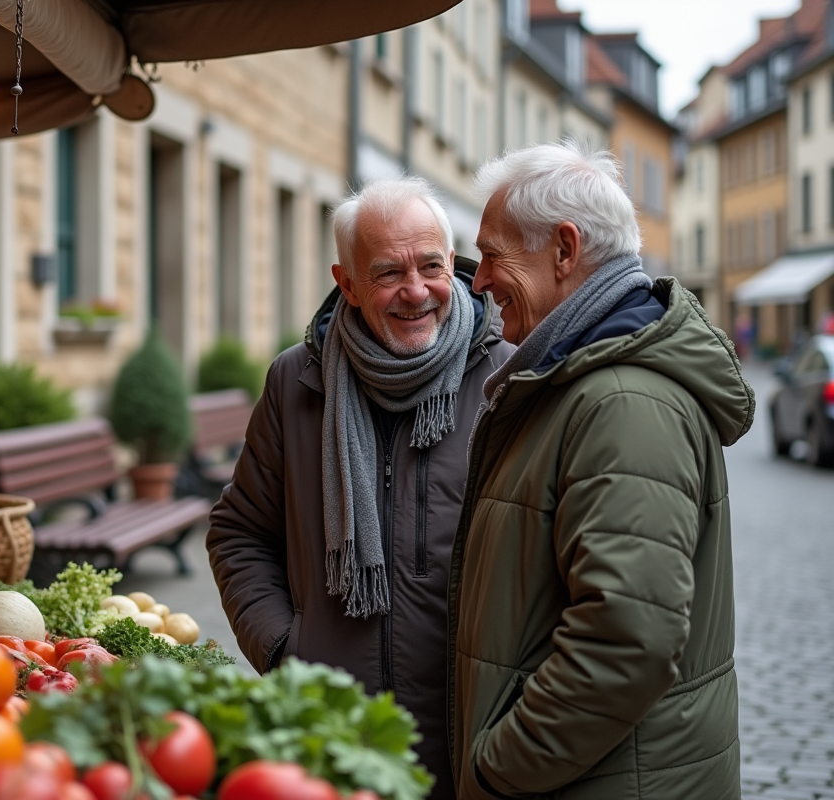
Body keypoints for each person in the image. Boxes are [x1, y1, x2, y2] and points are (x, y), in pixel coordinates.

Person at [450, 140, 753, 800]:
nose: (477, 282)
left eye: (494, 254)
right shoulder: (578, 381)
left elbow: (626, 643)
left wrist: (497, 766)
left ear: (564, 250)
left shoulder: (621, 401)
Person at [207, 176, 514, 796]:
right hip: (330, 731)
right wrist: (282, 647)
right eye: (387, 273)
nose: (416, 291)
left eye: (431, 265)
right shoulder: (297, 382)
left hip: (470, 738)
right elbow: (239, 532)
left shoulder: (508, 378)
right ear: (345, 281)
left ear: (452, 264)